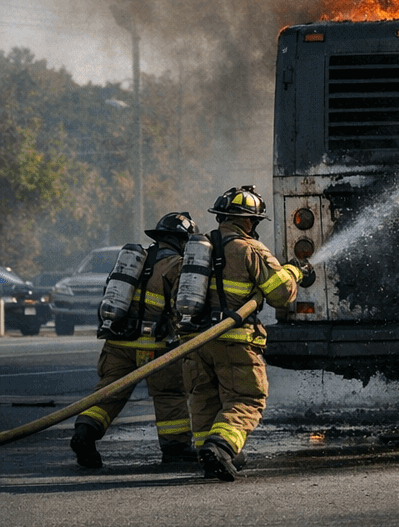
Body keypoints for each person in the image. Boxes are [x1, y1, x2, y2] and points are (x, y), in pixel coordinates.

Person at [182, 186, 312, 481]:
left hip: (195, 341)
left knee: (205, 399)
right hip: (234, 338)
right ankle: (221, 447)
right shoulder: (249, 248)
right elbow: (280, 294)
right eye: (254, 221)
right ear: (248, 221)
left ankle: (209, 453)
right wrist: (295, 272)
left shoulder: (198, 249)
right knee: (246, 398)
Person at [70, 212, 199, 468]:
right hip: (158, 346)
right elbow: (181, 308)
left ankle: (85, 432)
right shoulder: (178, 265)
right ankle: (176, 450)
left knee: (109, 392)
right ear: (182, 240)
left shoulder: (133, 261)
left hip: (120, 344)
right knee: (169, 395)